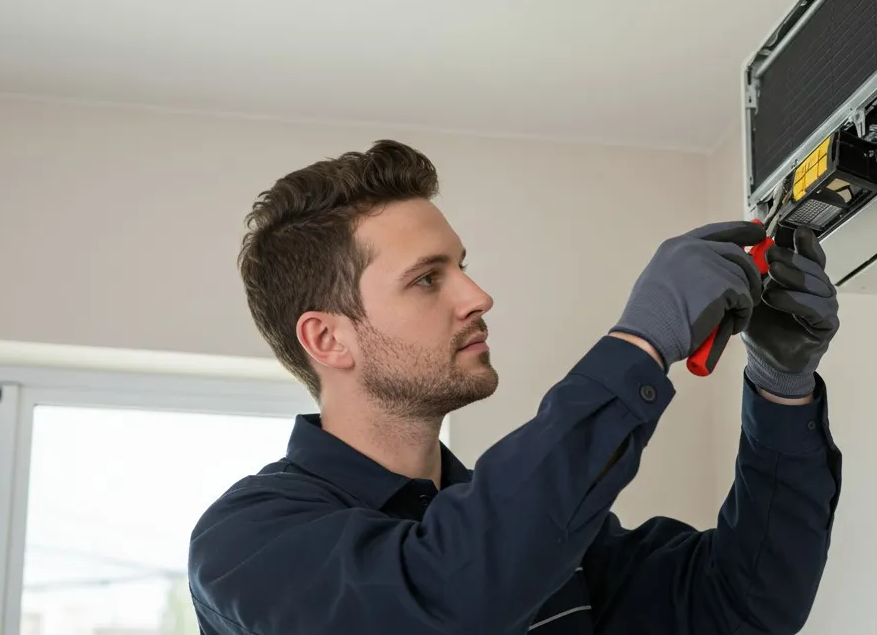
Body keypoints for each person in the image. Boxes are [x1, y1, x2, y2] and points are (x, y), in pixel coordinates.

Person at [187, 140, 842, 634]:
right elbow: (446, 598)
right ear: (328, 339)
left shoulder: (540, 533)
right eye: (427, 278)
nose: (477, 296)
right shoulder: (246, 544)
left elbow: (739, 607)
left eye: (462, 267)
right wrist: (639, 348)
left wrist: (780, 388)